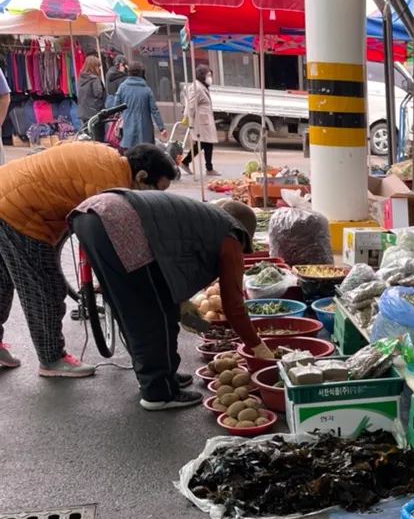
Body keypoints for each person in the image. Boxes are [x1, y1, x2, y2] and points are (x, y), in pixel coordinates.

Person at [68, 195, 274, 409]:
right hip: (118, 223)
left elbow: (173, 260)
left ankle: (159, 377)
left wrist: (181, 301)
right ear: (245, 232)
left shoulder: (205, 221)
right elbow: (233, 305)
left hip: (90, 215)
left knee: (130, 308)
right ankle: (159, 393)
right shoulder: (230, 236)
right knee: (155, 315)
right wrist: (256, 345)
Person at [0, 141, 177, 376]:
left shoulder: (110, 160)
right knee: (45, 288)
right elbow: (111, 244)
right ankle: (52, 359)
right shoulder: (110, 187)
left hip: (7, 190)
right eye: (156, 190)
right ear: (141, 176)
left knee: (3, 281)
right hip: (18, 210)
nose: (155, 198)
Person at [112, 64, 165, 150]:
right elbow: (154, 110)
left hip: (127, 128)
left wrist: (124, 114)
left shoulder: (122, 87)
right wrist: (161, 128)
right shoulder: (147, 90)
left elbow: (116, 106)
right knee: (145, 153)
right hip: (145, 130)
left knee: (129, 154)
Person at [181, 65, 219, 177]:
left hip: (204, 121)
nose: (210, 78)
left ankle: (188, 163)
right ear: (202, 76)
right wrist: (188, 119)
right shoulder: (197, 87)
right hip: (201, 122)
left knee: (204, 144)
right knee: (204, 144)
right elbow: (191, 105)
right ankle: (207, 168)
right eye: (208, 75)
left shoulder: (202, 86)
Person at [76, 54, 105, 130]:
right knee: (98, 134)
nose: (99, 69)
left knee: (88, 133)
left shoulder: (81, 78)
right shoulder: (95, 79)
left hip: (83, 112)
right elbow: (98, 94)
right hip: (94, 112)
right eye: (98, 66)